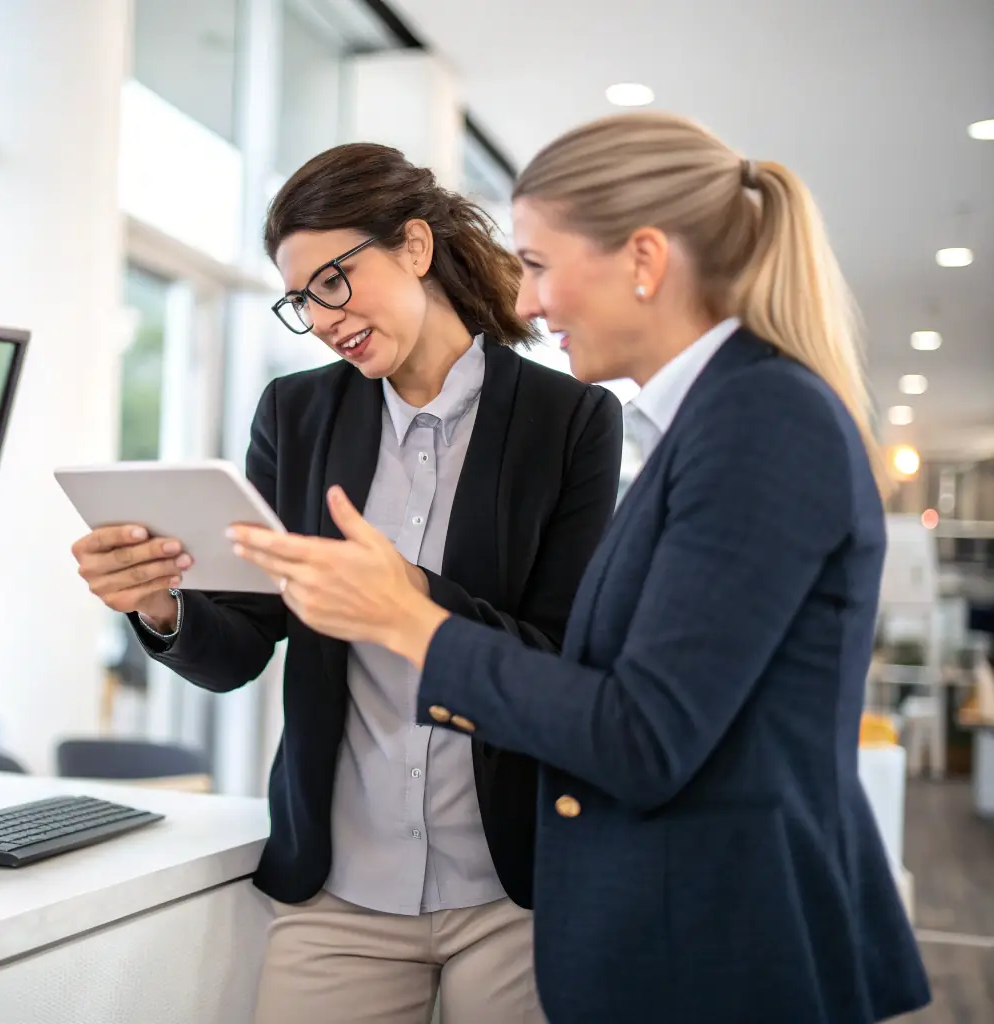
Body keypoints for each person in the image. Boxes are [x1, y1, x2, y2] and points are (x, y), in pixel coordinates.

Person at [228, 113, 932, 1023]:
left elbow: (641, 733)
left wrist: (409, 617)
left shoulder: (759, 422)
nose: (524, 303)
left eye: (540, 265)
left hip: (728, 940)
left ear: (642, 259)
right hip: (681, 928)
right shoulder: (718, 418)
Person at [71, 142, 622, 1023]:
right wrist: (158, 601)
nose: (322, 318)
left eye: (333, 280)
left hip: (511, 887)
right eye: (300, 301)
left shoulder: (570, 420)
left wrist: (404, 594)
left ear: (413, 245)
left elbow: (561, 658)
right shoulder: (295, 414)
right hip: (340, 892)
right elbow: (240, 647)